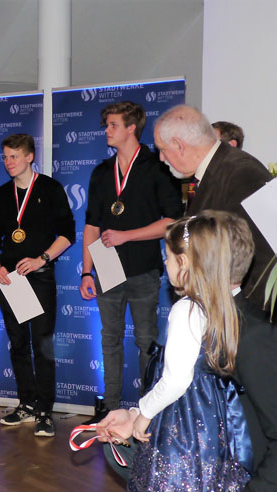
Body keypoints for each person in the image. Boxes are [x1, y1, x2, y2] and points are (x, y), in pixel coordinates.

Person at [97, 211, 277, 492]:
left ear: (190, 264)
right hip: (209, 450)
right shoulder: (210, 313)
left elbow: (177, 382)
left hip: (238, 475)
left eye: (169, 257)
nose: (164, 264)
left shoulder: (248, 333)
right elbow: (187, 391)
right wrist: (135, 415)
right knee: (124, 456)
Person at [80, 101, 183, 422]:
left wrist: (127, 236)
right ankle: (109, 410)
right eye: (106, 125)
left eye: (113, 125)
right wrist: (86, 271)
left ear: (131, 128)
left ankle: (145, 413)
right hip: (106, 268)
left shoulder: (158, 168)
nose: (106, 131)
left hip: (143, 268)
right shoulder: (101, 172)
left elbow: (172, 221)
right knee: (109, 340)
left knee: (145, 341)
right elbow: (91, 226)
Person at [0, 133, 75, 437]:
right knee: (18, 343)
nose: (8, 162)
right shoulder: (1, 195)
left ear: (29, 157)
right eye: (5, 157)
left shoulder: (50, 189)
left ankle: (45, 410)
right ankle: (26, 403)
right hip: (10, 279)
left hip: (39, 276)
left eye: (14, 156)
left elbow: (68, 233)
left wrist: (41, 259)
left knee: (42, 344)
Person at [155, 105, 273, 310]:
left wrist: (243, 318)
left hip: (243, 315)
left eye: (162, 150)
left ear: (179, 145)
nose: (161, 158)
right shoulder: (216, 169)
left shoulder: (242, 172)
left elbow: (264, 258)